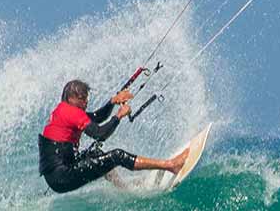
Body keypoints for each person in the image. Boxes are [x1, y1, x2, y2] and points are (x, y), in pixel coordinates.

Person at [38, 80, 189, 193]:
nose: (86, 102)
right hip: (62, 177)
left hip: (57, 176)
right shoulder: (71, 112)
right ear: (72, 98)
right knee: (117, 155)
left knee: (95, 153)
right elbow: (100, 134)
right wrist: (118, 116)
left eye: (86, 99)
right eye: (83, 99)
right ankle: (170, 165)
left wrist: (112, 102)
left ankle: (124, 189)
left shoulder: (62, 110)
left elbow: (95, 117)